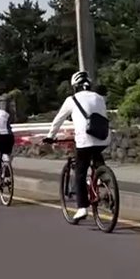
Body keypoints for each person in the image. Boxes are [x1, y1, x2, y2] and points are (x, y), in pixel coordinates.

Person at [43, 70, 111, 223]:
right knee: (96, 155)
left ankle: (82, 208)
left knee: (80, 173)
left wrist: (50, 137)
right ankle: (102, 178)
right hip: (103, 138)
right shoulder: (100, 98)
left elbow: (58, 119)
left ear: (75, 86)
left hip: (85, 140)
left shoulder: (71, 100)